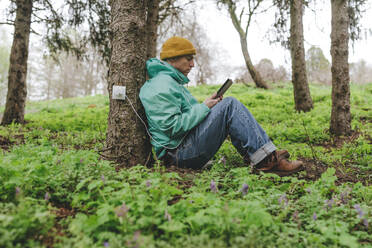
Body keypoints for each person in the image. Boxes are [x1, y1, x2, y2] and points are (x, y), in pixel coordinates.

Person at [139, 36, 303, 176]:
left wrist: (209, 106)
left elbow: (184, 117)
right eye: (188, 58)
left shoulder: (169, 82)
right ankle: (267, 162)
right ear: (173, 59)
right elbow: (171, 127)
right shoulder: (161, 85)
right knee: (229, 105)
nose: (193, 64)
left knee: (226, 106)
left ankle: (262, 155)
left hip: (181, 148)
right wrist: (204, 107)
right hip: (176, 155)